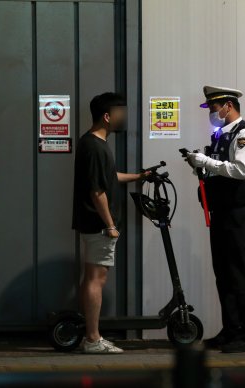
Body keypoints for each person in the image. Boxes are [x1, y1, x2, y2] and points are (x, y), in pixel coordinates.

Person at [185, 86, 245, 353]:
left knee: (240, 275)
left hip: (239, 215)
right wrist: (200, 164)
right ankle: (231, 330)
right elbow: (219, 170)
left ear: (228, 106)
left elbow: (240, 170)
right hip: (221, 214)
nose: (212, 113)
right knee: (224, 276)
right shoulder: (220, 137)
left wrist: (206, 162)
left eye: (215, 107)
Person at [72, 92, 149, 354]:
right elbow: (97, 191)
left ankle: (91, 336)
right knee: (96, 279)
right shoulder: (93, 146)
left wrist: (139, 176)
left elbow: (108, 177)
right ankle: (92, 340)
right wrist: (110, 225)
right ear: (107, 116)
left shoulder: (95, 144)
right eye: (120, 113)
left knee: (92, 278)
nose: (123, 118)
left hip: (95, 225)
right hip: (98, 225)